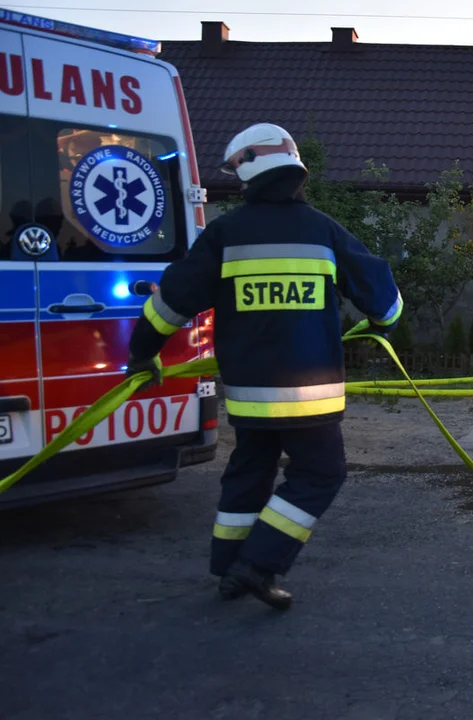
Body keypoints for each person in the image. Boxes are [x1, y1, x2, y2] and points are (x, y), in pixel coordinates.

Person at [125, 123, 403, 610]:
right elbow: (384, 300)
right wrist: (385, 324)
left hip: (250, 394)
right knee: (321, 474)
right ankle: (259, 564)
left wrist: (141, 352)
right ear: (296, 173)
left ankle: (230, 571)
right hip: (311, 395)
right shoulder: (323, 231)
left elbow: (171, 302)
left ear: (246, 176)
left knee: (250, 470)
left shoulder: (225, 234)